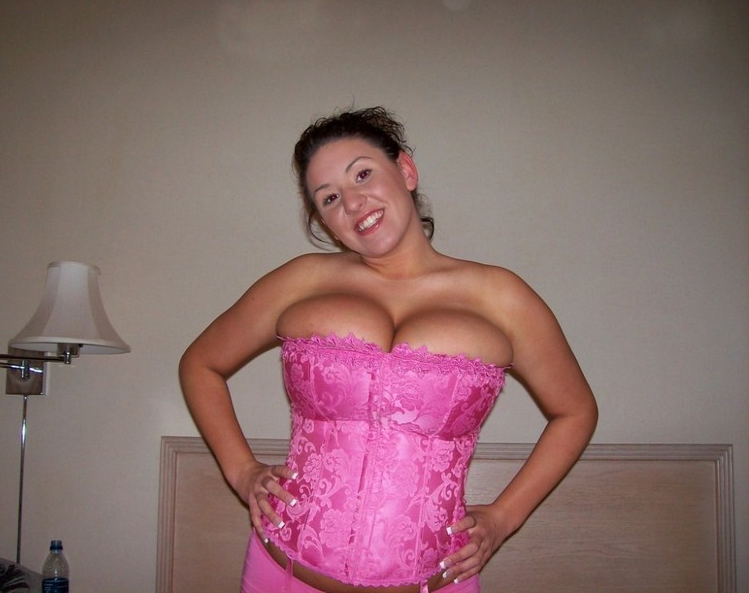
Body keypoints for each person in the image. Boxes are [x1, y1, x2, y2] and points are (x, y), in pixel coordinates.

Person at [179, 107, 598, 593]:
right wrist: (241, 472)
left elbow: (576, 411)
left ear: (406, 171)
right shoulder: (300, 281)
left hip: (437, 582)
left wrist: (505, 517)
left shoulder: (501, 297)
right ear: (323, 221)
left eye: (362, 174)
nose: (353, 202)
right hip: (282, 573)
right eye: (330, 197)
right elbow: (200, 363)